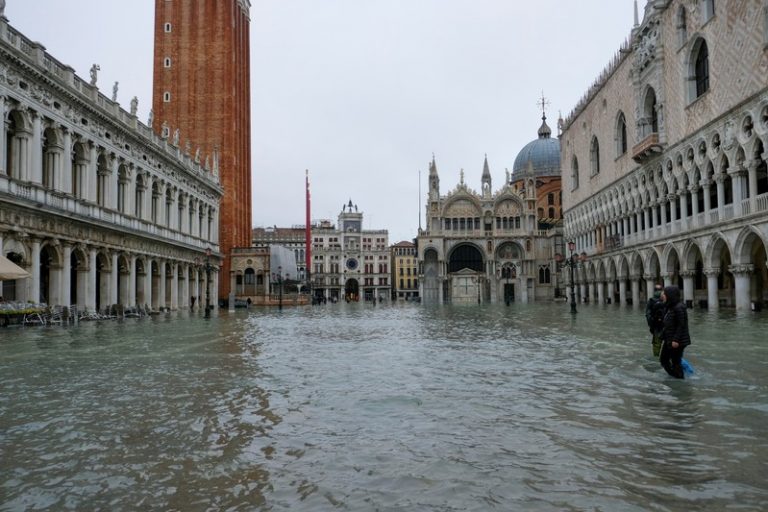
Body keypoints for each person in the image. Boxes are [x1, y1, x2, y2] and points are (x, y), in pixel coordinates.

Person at [659, 285, 691, 379]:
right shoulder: (670, 306)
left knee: (675, 362)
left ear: (670, 295)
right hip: (669, 339)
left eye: (664, 293)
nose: (663, 295)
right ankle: (675, 376)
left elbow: (681, 325)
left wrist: (676, 340)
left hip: (677, 341)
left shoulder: (679, 307)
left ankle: (679, 378)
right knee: (664, 360)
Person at [645, 284, 665, 357]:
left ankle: (657, 357)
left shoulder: (651, 301)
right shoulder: (665, 301)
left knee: (656, 345)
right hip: (666, 326)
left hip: (656, 327)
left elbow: (648, 315)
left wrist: (651, 325)